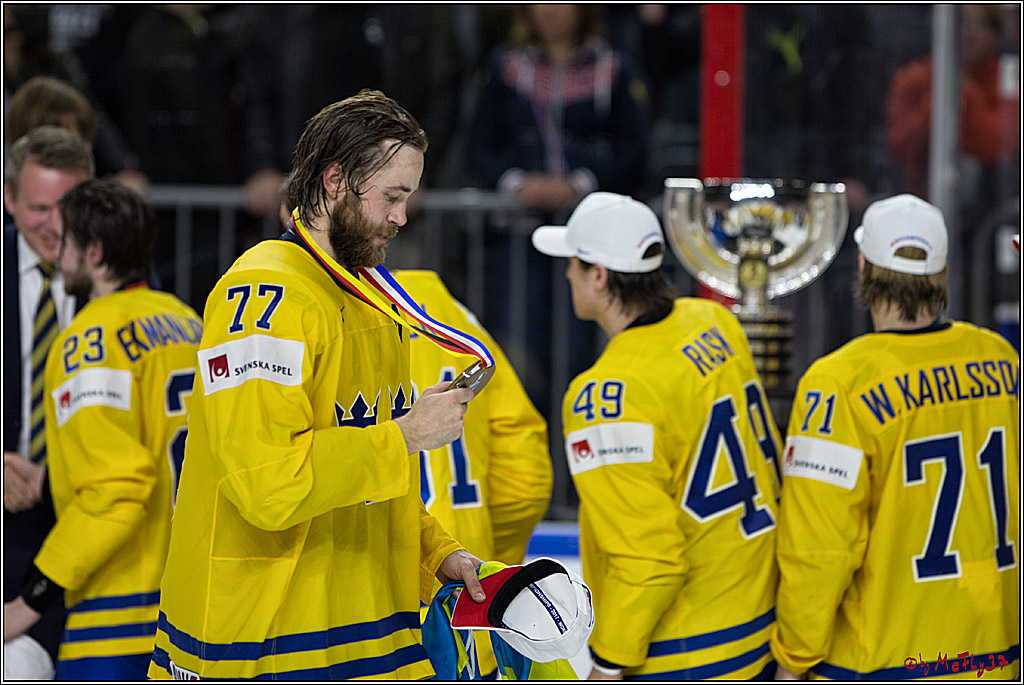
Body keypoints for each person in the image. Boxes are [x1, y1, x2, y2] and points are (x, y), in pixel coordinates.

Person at [149, 89, 486, 680]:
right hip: (266, 644)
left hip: (363, 634)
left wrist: (438, 553)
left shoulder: (370, 295)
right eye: (392, 197)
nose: (402, 217)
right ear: (335, 180)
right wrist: (404, 436)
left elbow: (368, 476)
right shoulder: (261, 298)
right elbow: (268, 483)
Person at [532, 192, 783, 679]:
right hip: (758, 625)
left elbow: (650, 561)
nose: (567, 274)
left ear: (600, 276)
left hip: (686, 652)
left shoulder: (605, 395)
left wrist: (606, 665)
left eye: (574, 264)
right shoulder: (712, 322)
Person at [771, 194, 1020, 679]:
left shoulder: (838, 383)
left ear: (863, 267)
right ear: (943, 273)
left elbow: (821, 550)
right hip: (995, 655)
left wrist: (793, 658)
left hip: (883, 664)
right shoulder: (1000, 358)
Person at [2, 179, 202, 679]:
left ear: (92, 252)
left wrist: (29, 601)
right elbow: (161, 453)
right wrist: (54, 480)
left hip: (118, 616)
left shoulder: (86, 341)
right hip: (193, 607)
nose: (58, 252)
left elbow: (116, 488)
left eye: (65, 241)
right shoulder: (190, 323)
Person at [392, 268, 553, 677]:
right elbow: (526, 477)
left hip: (372, 591)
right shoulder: (456, 319)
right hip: (465, 586)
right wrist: (484, 545)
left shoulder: (318, 313)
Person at [2, 125, 94, 679]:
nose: (55, 224)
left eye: (70, 205)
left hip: (84, 524)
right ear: (8, 199)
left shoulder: (121, 279)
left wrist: (56, 475)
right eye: (38, 207)